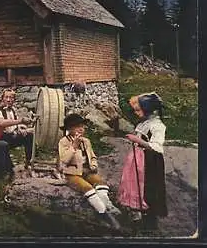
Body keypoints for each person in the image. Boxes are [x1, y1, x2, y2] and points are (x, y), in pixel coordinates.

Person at [58, 113, 121, 230]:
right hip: (72, 173)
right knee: (88, 188)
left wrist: (93, 165)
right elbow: (64, 160)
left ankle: (107, 205)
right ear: (70, 129)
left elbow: (92, 156)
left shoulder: (86, 141)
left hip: (86, 171)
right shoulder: (64, 142)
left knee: (101, 183)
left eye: (82, 126)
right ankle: (105, 215)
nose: (82, 129)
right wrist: (74, 147)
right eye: (78, 127)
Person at [119, 92, 167, 230]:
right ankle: (137, 214)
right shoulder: (144, 122)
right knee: (135, 185)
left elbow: (157, 146)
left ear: (148, 109)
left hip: (151, 161)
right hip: (139, 158)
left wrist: (138, 140)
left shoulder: (157, 125)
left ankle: (150, 222)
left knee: (149, 188)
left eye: (139, 110)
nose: (136, 113)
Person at [0, 88, 34, 179]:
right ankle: (7, 171)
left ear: (14, 100)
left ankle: (28, 163)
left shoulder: (12, 110)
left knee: (29, 136)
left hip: (8, 137)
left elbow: (12, 127)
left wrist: (20, 129)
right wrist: (20, 120)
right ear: (2, 99)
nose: (8, 100)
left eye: (11, 97)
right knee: (3, 144)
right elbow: (1, 123)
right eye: (6, 97)